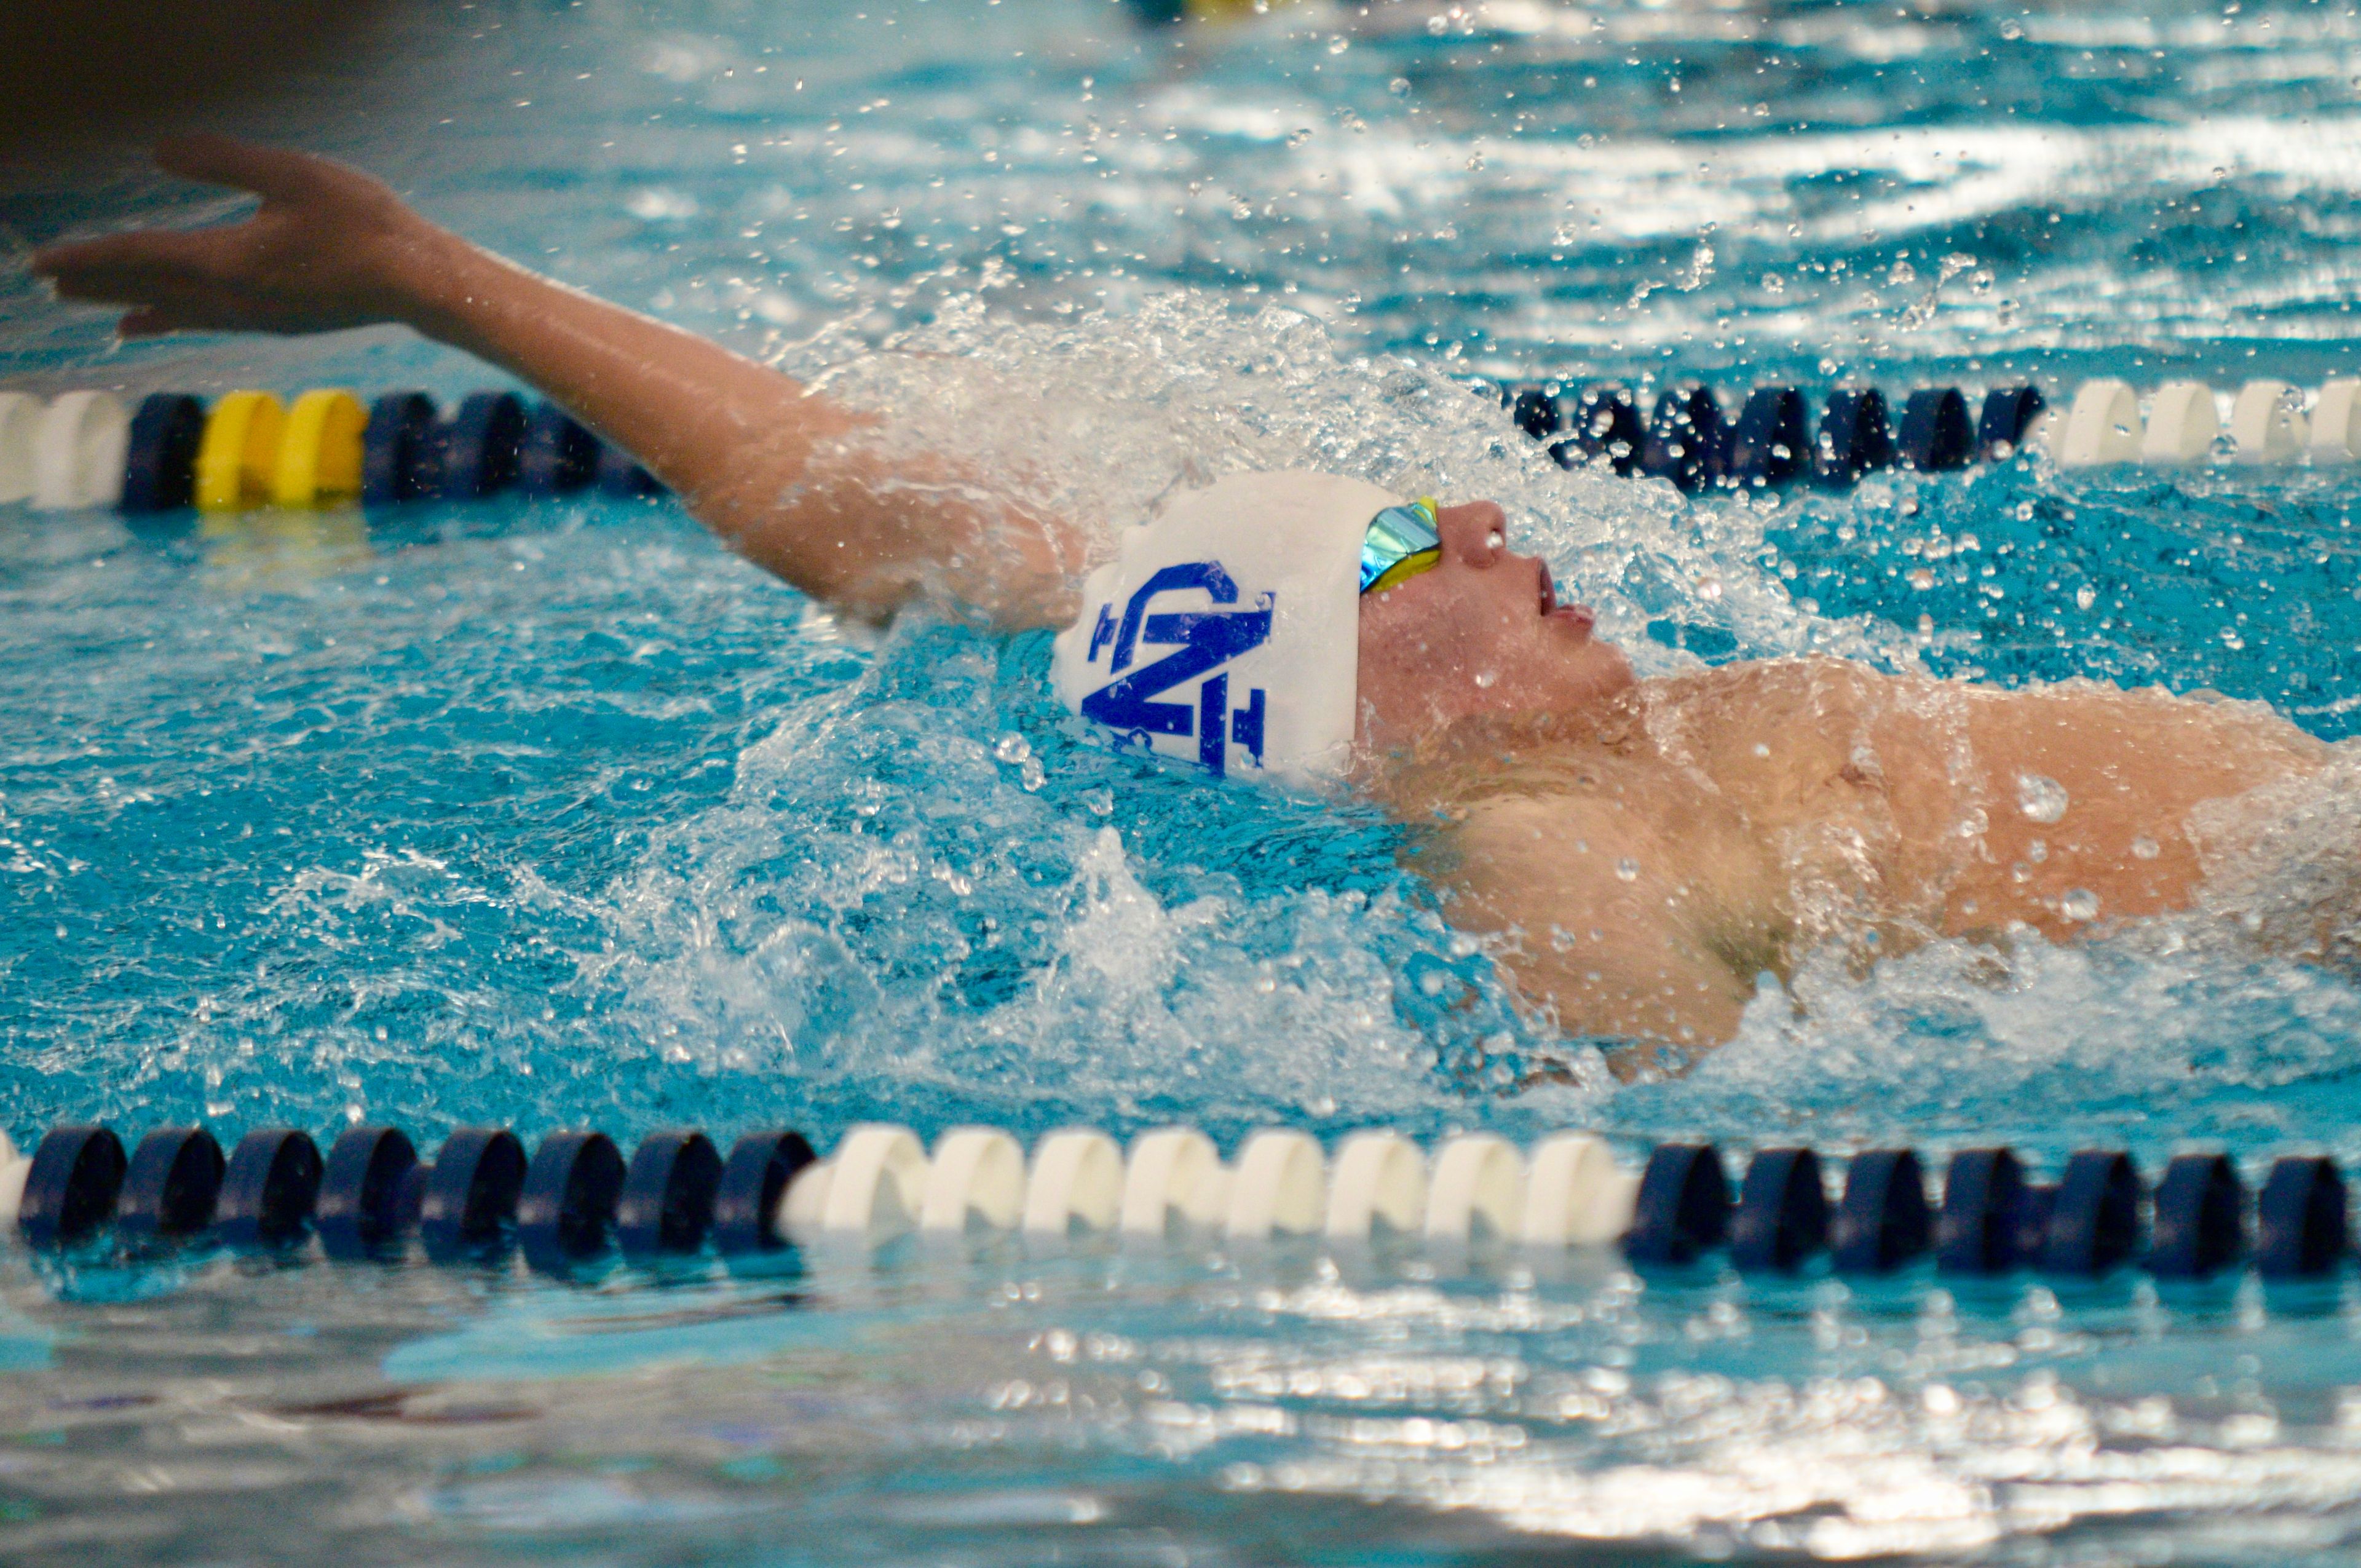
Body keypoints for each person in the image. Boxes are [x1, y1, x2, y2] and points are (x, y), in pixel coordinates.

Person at [31, 137, 2341, 1068]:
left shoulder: (1537, 720)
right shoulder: (1559, 846)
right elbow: (1689, 1130)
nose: (1491, 529)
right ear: (1367, 704)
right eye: (1402, 545)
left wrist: (430, 277)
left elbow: (882, 515)